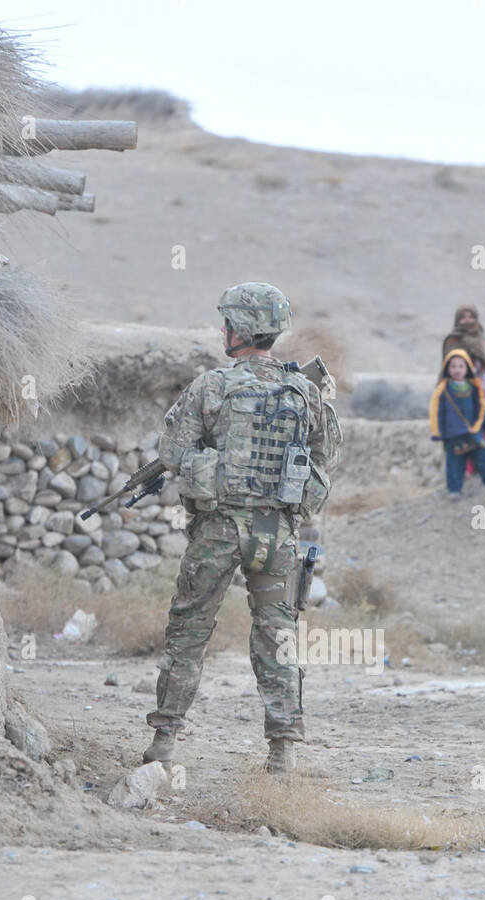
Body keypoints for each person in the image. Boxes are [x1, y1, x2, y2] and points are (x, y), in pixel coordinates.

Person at [142, 282, 341, 776]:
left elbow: (172, 452)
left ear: (238, 329)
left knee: (189, 633)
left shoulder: (212, 386)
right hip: (277, 536)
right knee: (277, 637)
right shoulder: (305, 391)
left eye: (226, 323)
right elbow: (326, 459)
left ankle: (164, 742)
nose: (222, 331)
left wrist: (209, 466)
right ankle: (283, 752)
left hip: (219, 531)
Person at [429, 349, 485, 499]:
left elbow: (483, 412)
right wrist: (437, 433)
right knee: (454, 463)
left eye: (461, 366)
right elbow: (437, 412)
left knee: (483, 454)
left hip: (474, 431)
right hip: (453, 434)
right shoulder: (443, 390)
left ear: (467, 368)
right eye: (453, 366)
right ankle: (454, 490)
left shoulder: (474, 388)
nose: (457, 370)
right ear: (446, 369)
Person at [442, 304, 485, 412]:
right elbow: (449, 363)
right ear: (458, 320)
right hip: (461, 381)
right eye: (463, 317)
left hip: (481, 379)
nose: (467, 320)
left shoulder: (479, 337)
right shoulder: (453, 339)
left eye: (471, 317)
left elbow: (482, 359)